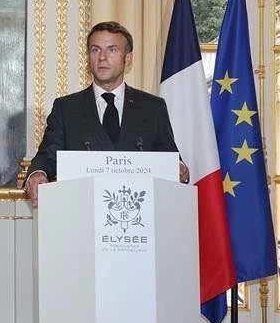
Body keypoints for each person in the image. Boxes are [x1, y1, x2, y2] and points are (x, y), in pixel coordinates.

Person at [25, 21, 189, 207]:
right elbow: (48, 155)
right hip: (80, 216)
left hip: (138, 220)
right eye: (95, 50)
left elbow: (171, 159)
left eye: (112, 50)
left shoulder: (153, 108)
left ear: (127, 59)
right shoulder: (66, 108)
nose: (102, 57)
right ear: (88, 58)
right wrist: (37, 173)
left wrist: (179, 169)